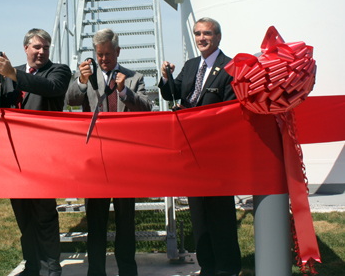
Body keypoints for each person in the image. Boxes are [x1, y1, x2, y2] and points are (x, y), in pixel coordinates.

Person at [66, 28, 152, 276]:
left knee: (126, 222)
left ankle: (127, 270)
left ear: (118, 51)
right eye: (99, 54)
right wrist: (81, 81)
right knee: (96, 222)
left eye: (107, 54)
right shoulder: (85, 75)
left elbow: (146, 108)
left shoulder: (134, 77)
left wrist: (125, 92)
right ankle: (96, 272)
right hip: (95, 161)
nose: (103, 59)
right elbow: (70, 100)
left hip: (124, 161)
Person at [0, 28, 71, 276]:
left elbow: (51, 87)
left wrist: (13, 73)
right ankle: (33, 266)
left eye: (46, 47)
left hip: (43, 158)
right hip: (14, 158)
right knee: (23, 215)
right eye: (37, 47)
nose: (42, 51)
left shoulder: (59, 71)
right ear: (26, 48)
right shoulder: (11, 74)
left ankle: (52, 268)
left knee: (44, 214)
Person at [159, 17, 241, 276]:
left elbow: (228, 109)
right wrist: (166, 77)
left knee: (221, 215)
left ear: (218, 37)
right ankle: (207, 265)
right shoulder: (191, 65)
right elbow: (172, 93)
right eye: (197, 34)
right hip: (191, 151)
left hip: (216, 154)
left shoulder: (230, 67)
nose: (201, 38)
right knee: (199, 215)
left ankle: (227, 267)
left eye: (207, 33)